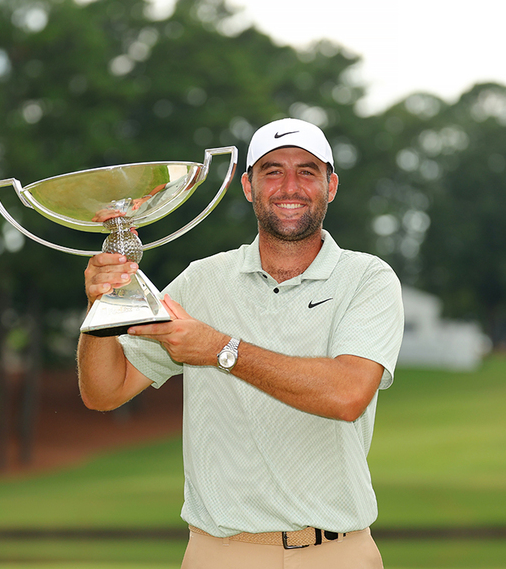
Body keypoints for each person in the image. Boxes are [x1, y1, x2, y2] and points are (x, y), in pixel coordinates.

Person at [77, 117, 404, 568]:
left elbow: (347, 394)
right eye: (273, 171)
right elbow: (104, 391)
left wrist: (220, 350)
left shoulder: (367, 278)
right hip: (219, 553)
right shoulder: (202, 280)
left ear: (330, 186)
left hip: (337, 552)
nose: (290, 186)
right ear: (249, 186)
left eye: (306, 171)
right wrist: (100, 306)